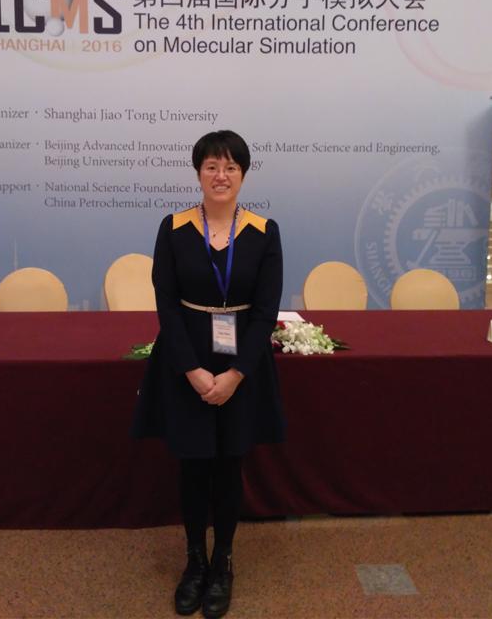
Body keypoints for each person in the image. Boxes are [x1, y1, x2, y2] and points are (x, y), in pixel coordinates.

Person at [132, 130, 285, 619]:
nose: (221, 176)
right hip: (187, 362)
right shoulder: (174, 228)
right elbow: (166, 305)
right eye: (212, 167)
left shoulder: (264, 231)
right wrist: (193, 370)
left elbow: (265, 312)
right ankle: (195, 561)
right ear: (198, 173)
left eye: (231, 167)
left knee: (230, 464)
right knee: (193, 464)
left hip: (242, 365)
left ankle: (224, 562)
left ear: (243, 174)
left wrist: (236, 374)